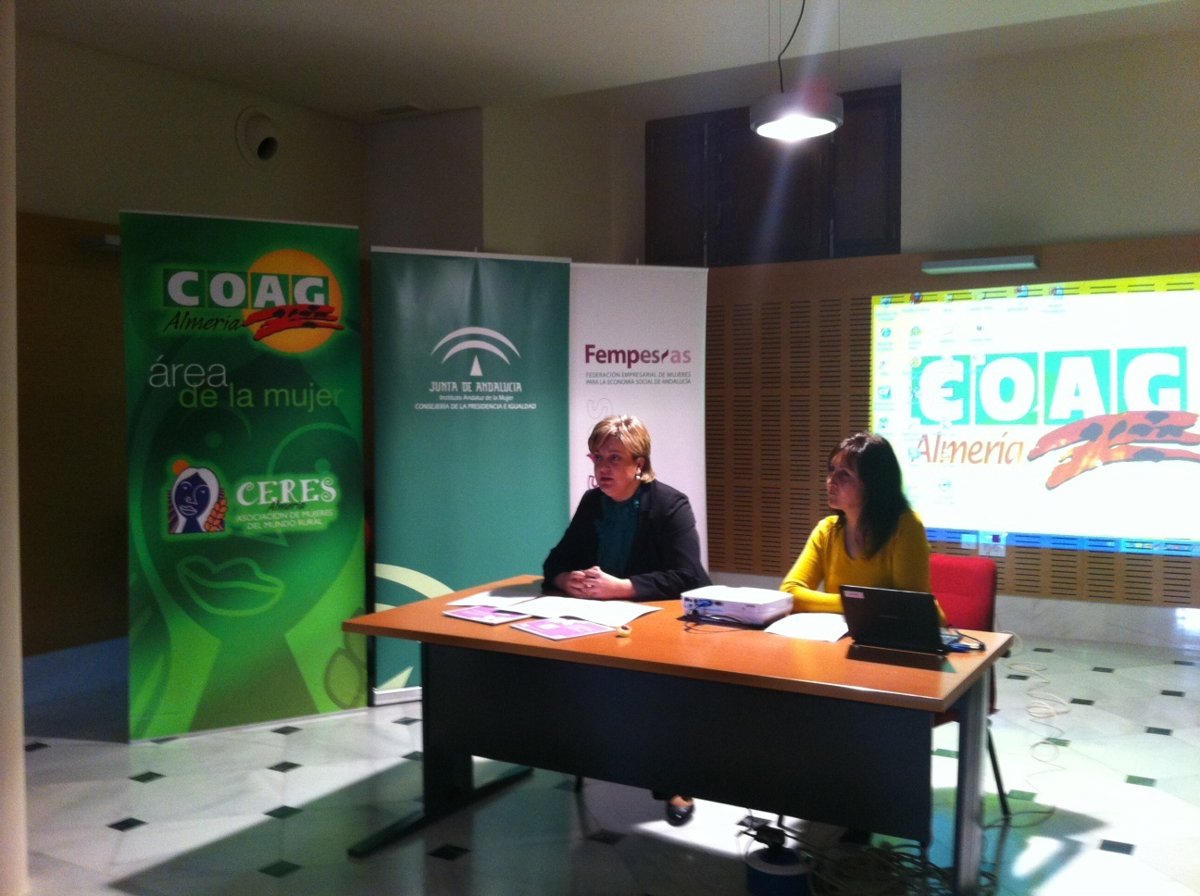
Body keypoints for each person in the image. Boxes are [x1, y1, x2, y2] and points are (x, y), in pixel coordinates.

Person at [542, 414, 710, 826]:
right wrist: (565, 578)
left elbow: (691, 577)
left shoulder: (669, 504)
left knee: (661, 690)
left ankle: (677, 780)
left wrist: (625, 587)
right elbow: (555, 561)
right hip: (601, 623)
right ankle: (587, 751)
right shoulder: (593, 503)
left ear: (639, 463)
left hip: (659, 627)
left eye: (614, 458)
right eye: (597, 457)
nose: (603, 467)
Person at [781, 432, 931, 614]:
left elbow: (910, 606)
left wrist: (855, 604)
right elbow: (789, 592)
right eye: (831, 470)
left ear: (874, 484)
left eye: (844, 474)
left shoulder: (906, 526)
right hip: (843, 630)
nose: (831, 480)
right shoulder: (826, 530)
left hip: (904, 632)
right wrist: (856, 603)